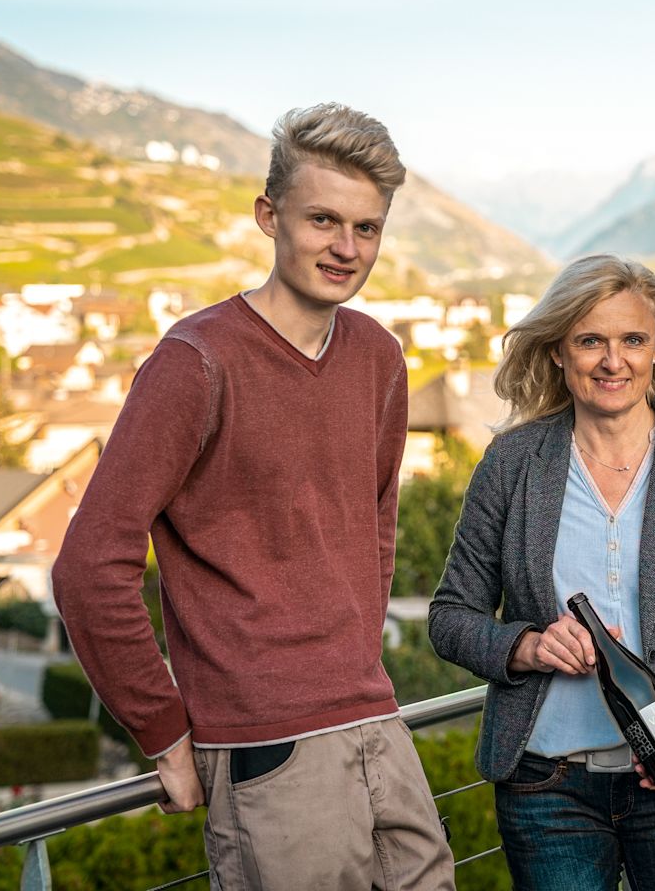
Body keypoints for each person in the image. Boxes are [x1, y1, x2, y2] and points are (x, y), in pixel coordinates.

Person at [52, 104, 457, 890]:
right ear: (269, 217)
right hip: (267, 751)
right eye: (323, 220)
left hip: (377, 720)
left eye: (367, 229)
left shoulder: (379, 357)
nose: (347, 248)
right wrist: (165, 733)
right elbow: (87, 568)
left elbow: (375, 529)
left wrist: (351, 660)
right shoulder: (194, 363)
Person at [429, 254, 655, 891]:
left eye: (632, 340)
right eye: (591, 340)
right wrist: (525, 646)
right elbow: (451, 616)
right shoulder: (512, 464)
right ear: (559, 351)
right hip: (546, 785)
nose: (613, 361)